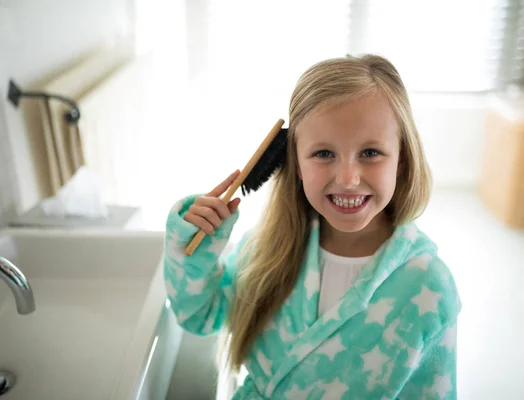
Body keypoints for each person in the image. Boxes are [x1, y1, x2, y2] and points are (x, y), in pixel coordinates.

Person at [163, 54, 461, 399]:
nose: (348, 178)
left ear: (402, 159)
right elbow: (199, 315)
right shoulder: (266, 250)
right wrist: (196, 251)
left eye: (370, 153)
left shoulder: (429, 288)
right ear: (295, 162)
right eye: (323, 154)